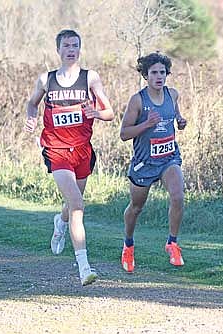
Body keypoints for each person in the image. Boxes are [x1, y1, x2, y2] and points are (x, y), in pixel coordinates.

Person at [24, 29, 114, 286]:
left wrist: (95, 112)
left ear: (80, 49)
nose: (71, 49)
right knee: (77, 204)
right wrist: (31, 117)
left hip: (82, 150)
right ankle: (84, 267)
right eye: (66, 45)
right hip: (56, 150)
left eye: (75, 45)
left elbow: (109, 112)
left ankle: (60, 222)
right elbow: (32, 103)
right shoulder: (46, 80)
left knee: (73, 203)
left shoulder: (90, 78)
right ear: (59, 50)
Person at [119, 52, 187, 273]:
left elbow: (175, 116)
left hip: (168, 157)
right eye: (154, 73)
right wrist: (146, 124)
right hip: (144, 163)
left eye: (162, 72)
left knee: (178, 196)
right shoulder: (138, 100)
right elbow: (124, 133)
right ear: (146, 76)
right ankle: (128, 245)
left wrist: (180, 121)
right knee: (136, 207)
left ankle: (172, 243)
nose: (159, 76)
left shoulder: (173, 94)